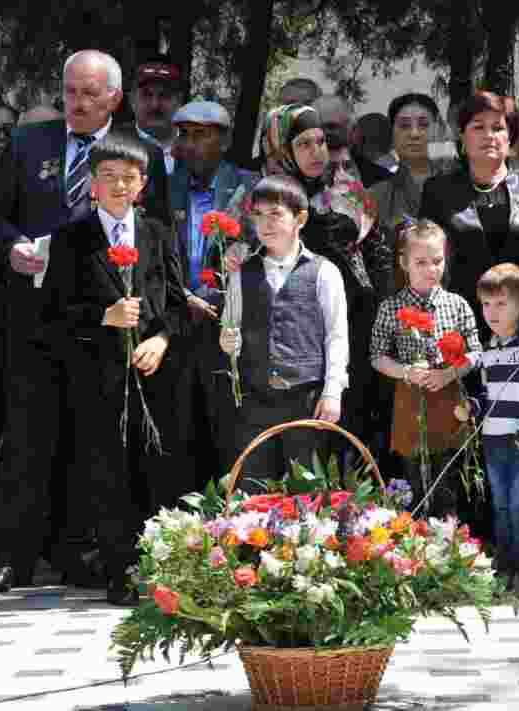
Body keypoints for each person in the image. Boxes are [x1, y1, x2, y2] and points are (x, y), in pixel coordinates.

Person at [0, 49, 170, 594]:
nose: (78, 103)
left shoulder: (138, 152)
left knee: (97, 443)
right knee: (27, 437)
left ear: (115, 97)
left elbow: (154, 229)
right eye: (70, 92)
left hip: (110, 322)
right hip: (38, 317)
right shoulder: (27, 144)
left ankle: (83, 551)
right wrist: (12, 245)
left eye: (90, 94)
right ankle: (14, 557)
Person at [36, 133, 186, 603]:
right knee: (107, 475)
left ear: (142, 184)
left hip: (153, 375)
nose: (120, 186)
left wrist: (161, 339)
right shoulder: (71, 237)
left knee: (157, 471)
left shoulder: (159, 233)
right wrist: (103, 317)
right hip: (97, 378)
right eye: (109, 177)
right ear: (93, 184)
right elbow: (51, 317)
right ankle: (118, 569)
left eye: (129, 178)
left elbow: (178, 305)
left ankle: (164, 567)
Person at [256, 104, 395, 459]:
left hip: (356, 327)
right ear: (281, 149)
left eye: (321, 142)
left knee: (356, 431)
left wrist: (385, 312)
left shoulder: (348, 192)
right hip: (298, 336)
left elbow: (377, 254)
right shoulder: (263, 203)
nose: (317, 152)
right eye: (303, 144)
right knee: (308, 438)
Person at [219, 175, 349, 476]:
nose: (266, 223)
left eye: (276, 214)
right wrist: (228, 342)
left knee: (307, 491)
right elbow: (230, 325)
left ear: (300, 218)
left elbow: (336, 335)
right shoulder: (242, 272)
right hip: (256, 398)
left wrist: (333, 391)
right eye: (259, 215)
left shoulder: (324, 272)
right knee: (252, 488)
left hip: (306, 399)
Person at [168, 100, 259, 489]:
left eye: (201, 135)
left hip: (228, 327)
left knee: (229, 433)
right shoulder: (162, 185)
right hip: (175, 321)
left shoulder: (248, 187)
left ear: (223, 141)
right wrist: (182, 296)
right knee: (180, 435)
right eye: (184, 135)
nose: (190, 144)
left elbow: (254, 252)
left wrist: (215, 296)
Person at [370, 219, 481, 519]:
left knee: (449, 478)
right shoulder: (391, 307)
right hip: (410, 399)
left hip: (448, 398)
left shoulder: (457, 304)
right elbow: (377, 357)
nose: (431, 269)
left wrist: (449, 373)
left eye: (437, 261)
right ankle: (418, 548)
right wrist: (406, 371)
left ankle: (451, 544)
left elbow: (476, 352)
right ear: (404, 263)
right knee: (414, 477)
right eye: (421, 262)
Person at [420, 90, 519, 326]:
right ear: (462, 136)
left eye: (498, 128)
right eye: (478, 127)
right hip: (460, 325)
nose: (489, 135)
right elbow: (427, 262)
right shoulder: (438, 191)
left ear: (510, 137)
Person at [457, 263, 519, 593]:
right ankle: (505, 566)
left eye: (501, 304)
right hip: (493, 438)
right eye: (486, 304)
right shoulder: (489, 348)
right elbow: (486, 393)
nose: (491, 312)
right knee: (502, 504)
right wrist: (472, 408)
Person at [371, 92, 454, 235]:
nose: (414, 134)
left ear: (436, 130)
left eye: (423, 125)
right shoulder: (375, 193)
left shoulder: (457, 185)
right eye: (404, 126)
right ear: (391, 132)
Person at [314, 95, 392, 188]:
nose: (324, 133)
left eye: (331, 127)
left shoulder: (380, 172)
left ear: (351, 126)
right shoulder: (297, 171)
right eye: (316, 126)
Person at [131, 59, 183, 175]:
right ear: (132, 100)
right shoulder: (111, 145)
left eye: (165, 95)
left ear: (179, 101)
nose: (155, 104)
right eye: (147, 95)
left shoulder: (196, 149)